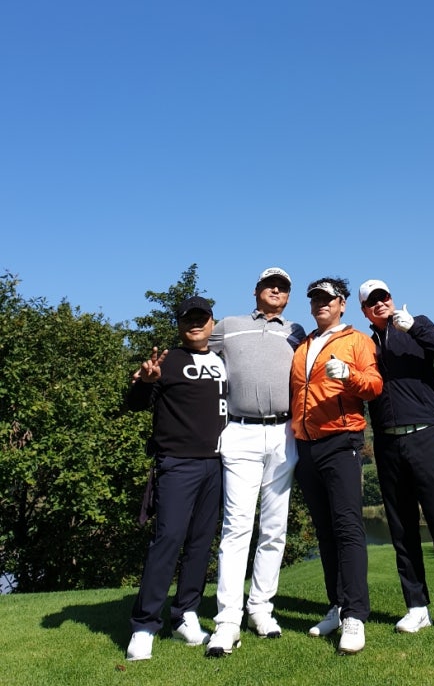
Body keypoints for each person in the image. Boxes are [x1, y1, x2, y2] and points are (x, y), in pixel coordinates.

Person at [358, 278, 434, 635]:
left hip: (426, 436)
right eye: (372, 301)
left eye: (384, 297)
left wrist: (415, 328)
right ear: (365, 310)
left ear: (392, 299)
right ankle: (417, 607)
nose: (380, 303)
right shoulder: (365, 344)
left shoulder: (417, 325)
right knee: (402, 529)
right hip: (387, 443)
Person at [205, 268, 306, 657]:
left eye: (283, 287)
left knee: (275, 529)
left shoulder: (296, 331)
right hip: (240, 430)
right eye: (269, 285)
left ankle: (260, 609)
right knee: (236, 528)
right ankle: (227, 620)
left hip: (283, 435)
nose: (276, 290)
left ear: (288, 296)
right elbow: (197, 345)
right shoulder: (229, 326)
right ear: (257, 291)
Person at [125, 296, 227, 662]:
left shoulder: (222, 360)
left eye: (201, 318)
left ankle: (185, 613)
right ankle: (144, 626)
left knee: (201, 543)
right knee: (167, 540)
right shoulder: (167, 362)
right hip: (177, 464)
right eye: (188, 319)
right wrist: (144, 382)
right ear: (180, 325)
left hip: (217, 464)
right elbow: (135, 403)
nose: (195, 324)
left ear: (212, 322)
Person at [289, 277, 382, 655]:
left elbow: (374, 385)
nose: (320, 304)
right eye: (315, 299)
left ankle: (356, 614)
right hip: (305, 446)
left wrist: (349, 375)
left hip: (341, 441)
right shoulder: (302, 345)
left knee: (347, 527)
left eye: (327, 299)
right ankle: (337, 606)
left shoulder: (357, 341)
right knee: (325, 531)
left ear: (342, 303)